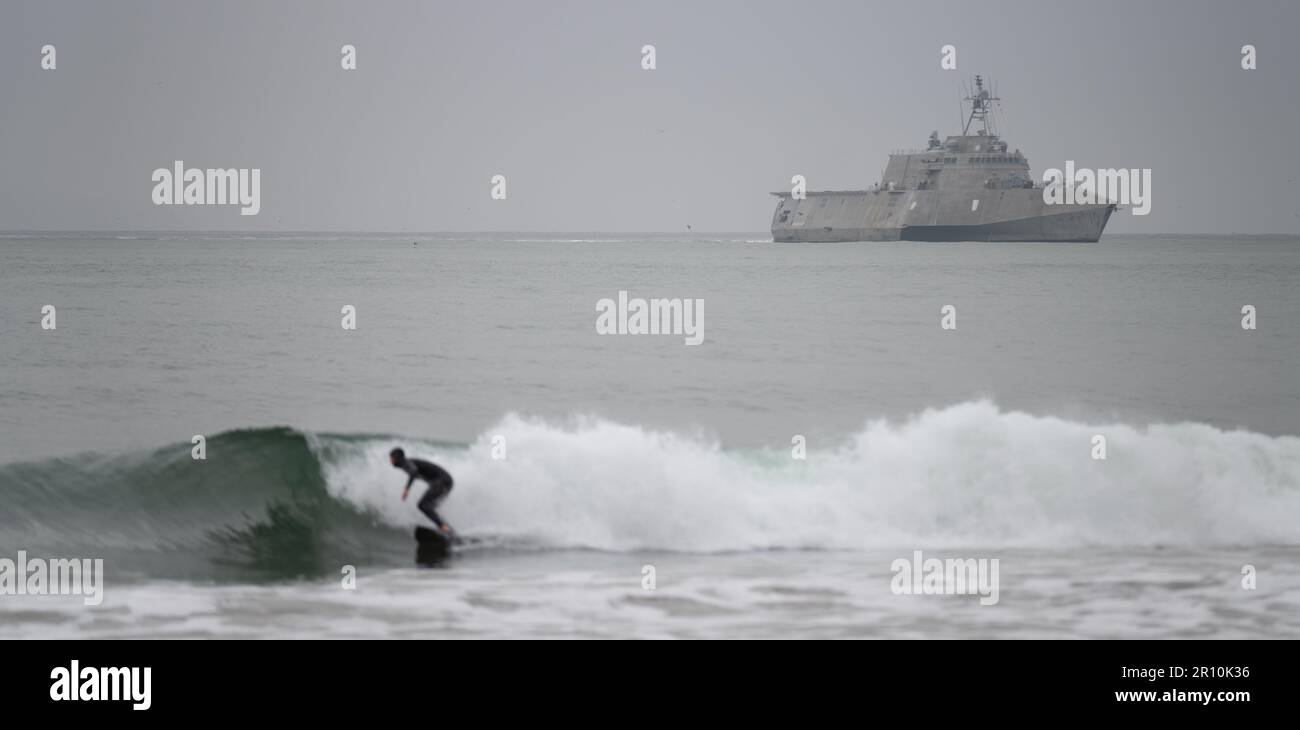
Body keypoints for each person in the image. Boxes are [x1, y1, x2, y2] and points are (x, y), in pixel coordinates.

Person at [389, 447, 454, 535]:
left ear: (397, 457)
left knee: (422, 505)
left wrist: (406, 489)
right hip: (447, 481)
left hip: (442, 481)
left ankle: (444, 528)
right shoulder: (408, 463)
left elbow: (414, 472)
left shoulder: (406, 463)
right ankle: (449, 530)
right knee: (430, 508)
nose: (390, 461)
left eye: (391, 458)